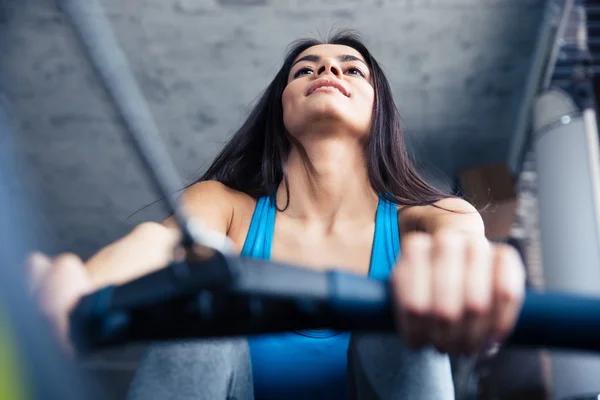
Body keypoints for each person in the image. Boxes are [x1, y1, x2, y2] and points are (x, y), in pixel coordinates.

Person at [27, 31, 525, 400]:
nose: (328, 72)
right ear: (280, 107)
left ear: (380, 111)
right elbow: (157, 244)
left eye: (352, 69)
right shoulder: (226, 208)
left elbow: (459, 245)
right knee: (201, 295)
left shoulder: (432, 216)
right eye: (305, 69)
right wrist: (80, 283)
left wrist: (466, 273)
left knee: (400, 315)